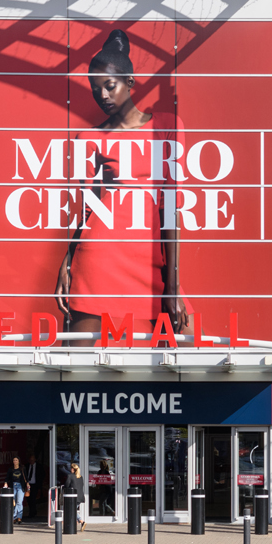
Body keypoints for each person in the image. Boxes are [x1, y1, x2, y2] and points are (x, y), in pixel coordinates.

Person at [56, 29, 186, 345]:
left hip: (150, 258)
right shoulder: (89, 139)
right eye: (94, 89)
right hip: (98, 257)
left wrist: (173, 285)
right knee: (75, 364)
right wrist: (66, 261)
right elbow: (88, 208)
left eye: (109, 86)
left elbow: (171, 206)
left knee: (183, 360)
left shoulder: (167, 125)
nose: (102, 95)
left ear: (130, 83)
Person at [64, 462, 86, 531]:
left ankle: (81, 521)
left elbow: (67, 485)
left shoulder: (70, 476)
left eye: (71, 468)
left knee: (72, 510)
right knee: (73, 510)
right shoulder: (80, 477)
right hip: (80, 496)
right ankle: (75, 522)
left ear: (72, 469)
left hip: (73, 496)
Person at [9, 456, 26, 523]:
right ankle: (14, 517)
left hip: (20, 486)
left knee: (19, 502)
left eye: (16, 460)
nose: (15, 461)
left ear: (19, 461)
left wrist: (27, 483)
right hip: (13, 486)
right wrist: (5, 483)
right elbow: (8, 477)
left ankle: (19, 517)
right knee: (14, 502)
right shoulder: (11, 469)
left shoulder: (22, 468)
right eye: (14, 460)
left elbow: (25, 477)